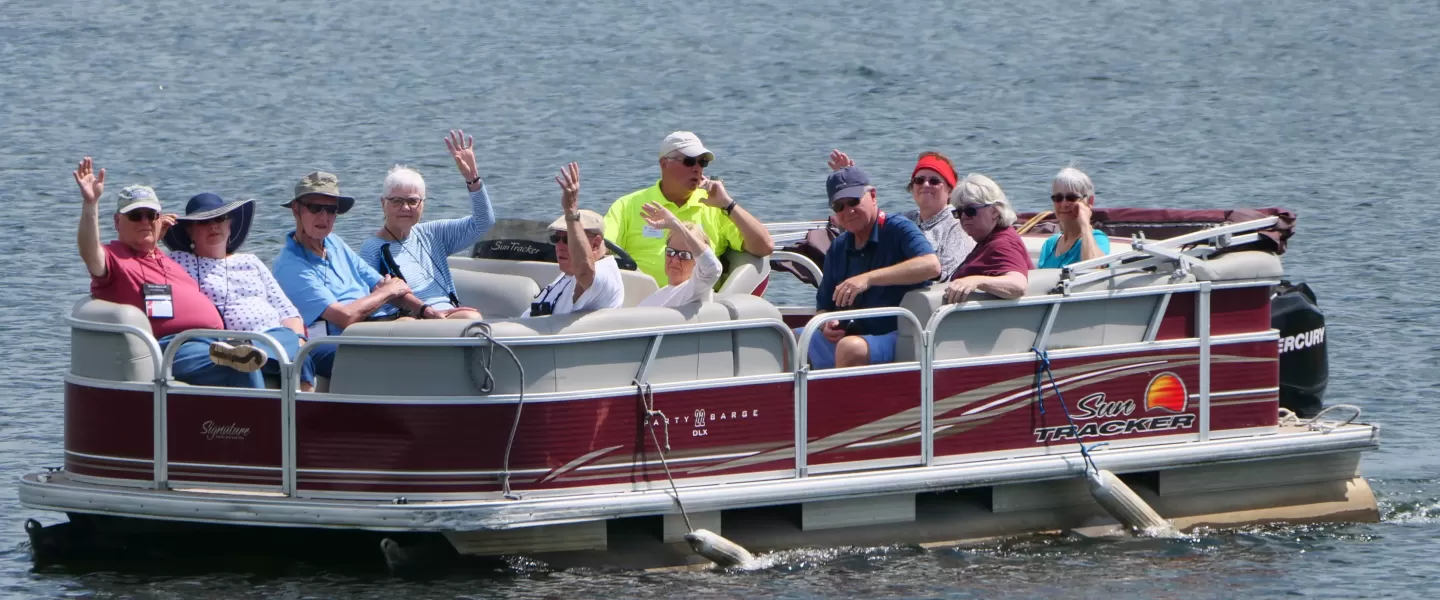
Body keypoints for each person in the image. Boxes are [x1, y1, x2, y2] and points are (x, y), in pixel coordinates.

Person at [71, 157, 263, 388]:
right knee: (240, 366)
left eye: (151, 215)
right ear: (117, 222)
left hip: (216, 339)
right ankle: (261, 413)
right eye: (136, 216)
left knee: (283, 356)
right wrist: (90, 205)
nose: (145, 221)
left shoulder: (167, 259)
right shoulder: (115, 258)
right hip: (175, 347)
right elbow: (89, 251)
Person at [162, 192, 318, 391]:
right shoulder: (178, 261)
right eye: (203, 222)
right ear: (190, 232)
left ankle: (255, 351)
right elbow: (149, 260)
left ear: (230, 226)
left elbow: (286, 310)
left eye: (219, 219)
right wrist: (158, 230)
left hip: (271, 336)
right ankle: (248, 352)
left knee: (294, 344)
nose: (213, 225)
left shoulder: (250, 261)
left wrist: (299, 338)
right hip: (226, 341)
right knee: (271, 355)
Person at [272, 171, 419, 379]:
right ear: (296, 210)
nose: (324, 217)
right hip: (334, 342)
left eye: (331, 210)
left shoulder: (335, 243)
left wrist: (427, 310)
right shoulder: (290, 266)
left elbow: (387, 285)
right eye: (315, 208)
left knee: (429, 329)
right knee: (407, 343)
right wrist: (387, 292)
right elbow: (345, 317)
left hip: (371, 327)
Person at [805, 166, 941, 369]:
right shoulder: (839, 246)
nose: (848, 211)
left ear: (873, 196)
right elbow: (823, 307)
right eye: (838, 207)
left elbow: (931, 265)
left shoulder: (898, 228)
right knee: (792, 341)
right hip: (852, 334)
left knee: (851, 348)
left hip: (899, 335)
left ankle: (843, 400)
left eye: (853, 201)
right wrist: (826, 324)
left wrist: (867, 279)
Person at [603, 131, 773, 287]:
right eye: (689, 161)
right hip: (642, 308)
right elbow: (599, 250)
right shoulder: (627, 205)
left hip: (697, 311)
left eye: (702, 162)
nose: (697, 168)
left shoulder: (715, 206)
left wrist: (728, 204)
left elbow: (764, 247)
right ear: (664, 164)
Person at [359, 130, 496, 320]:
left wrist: (472, 178)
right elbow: (370, 303)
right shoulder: (372, 249)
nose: (405, 208)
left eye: (413, 201)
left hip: (447, 314)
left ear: (423, 205)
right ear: (383, 203)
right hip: (406, 320)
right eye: (397, 201)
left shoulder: (433, 234)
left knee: (470, 318)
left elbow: (483, 222)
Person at [827, 149, 974, 278]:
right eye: (919, 180)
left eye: (934, 181)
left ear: (950, 190)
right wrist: (849, 184)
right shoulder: (906, 219)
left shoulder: (958, 224)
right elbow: (864, 227)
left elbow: (944, 274)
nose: (925, 185)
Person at [523, 163, 624, 317]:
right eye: (556, 238)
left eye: (568, 239)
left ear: (595, 244)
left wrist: (571, 211)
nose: (560, 246)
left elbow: (584, 271)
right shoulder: (568, 274)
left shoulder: (604, 273)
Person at [944, 174, 1032, 304]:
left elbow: (1018, 285)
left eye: (970, 211)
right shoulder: (989, 240)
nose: (963, 217)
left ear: (995, 211)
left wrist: (975, 281)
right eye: (958, 212)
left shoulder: (1002, 244)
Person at [637, 202, 723, 307]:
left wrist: (675, 224)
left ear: (698, 261)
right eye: (670, 252)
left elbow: (713, 268)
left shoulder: (696, 289)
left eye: (684, 255)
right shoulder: (658, 295)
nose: (675, 260)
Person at [1038, 167, 1110, 268]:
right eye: (1058, 198)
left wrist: (1085, 224)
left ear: (1090, 201)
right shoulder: (1049, 245)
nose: (1064, 204)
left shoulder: (1098, 239)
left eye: (1071, 198)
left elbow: (1094, 267)